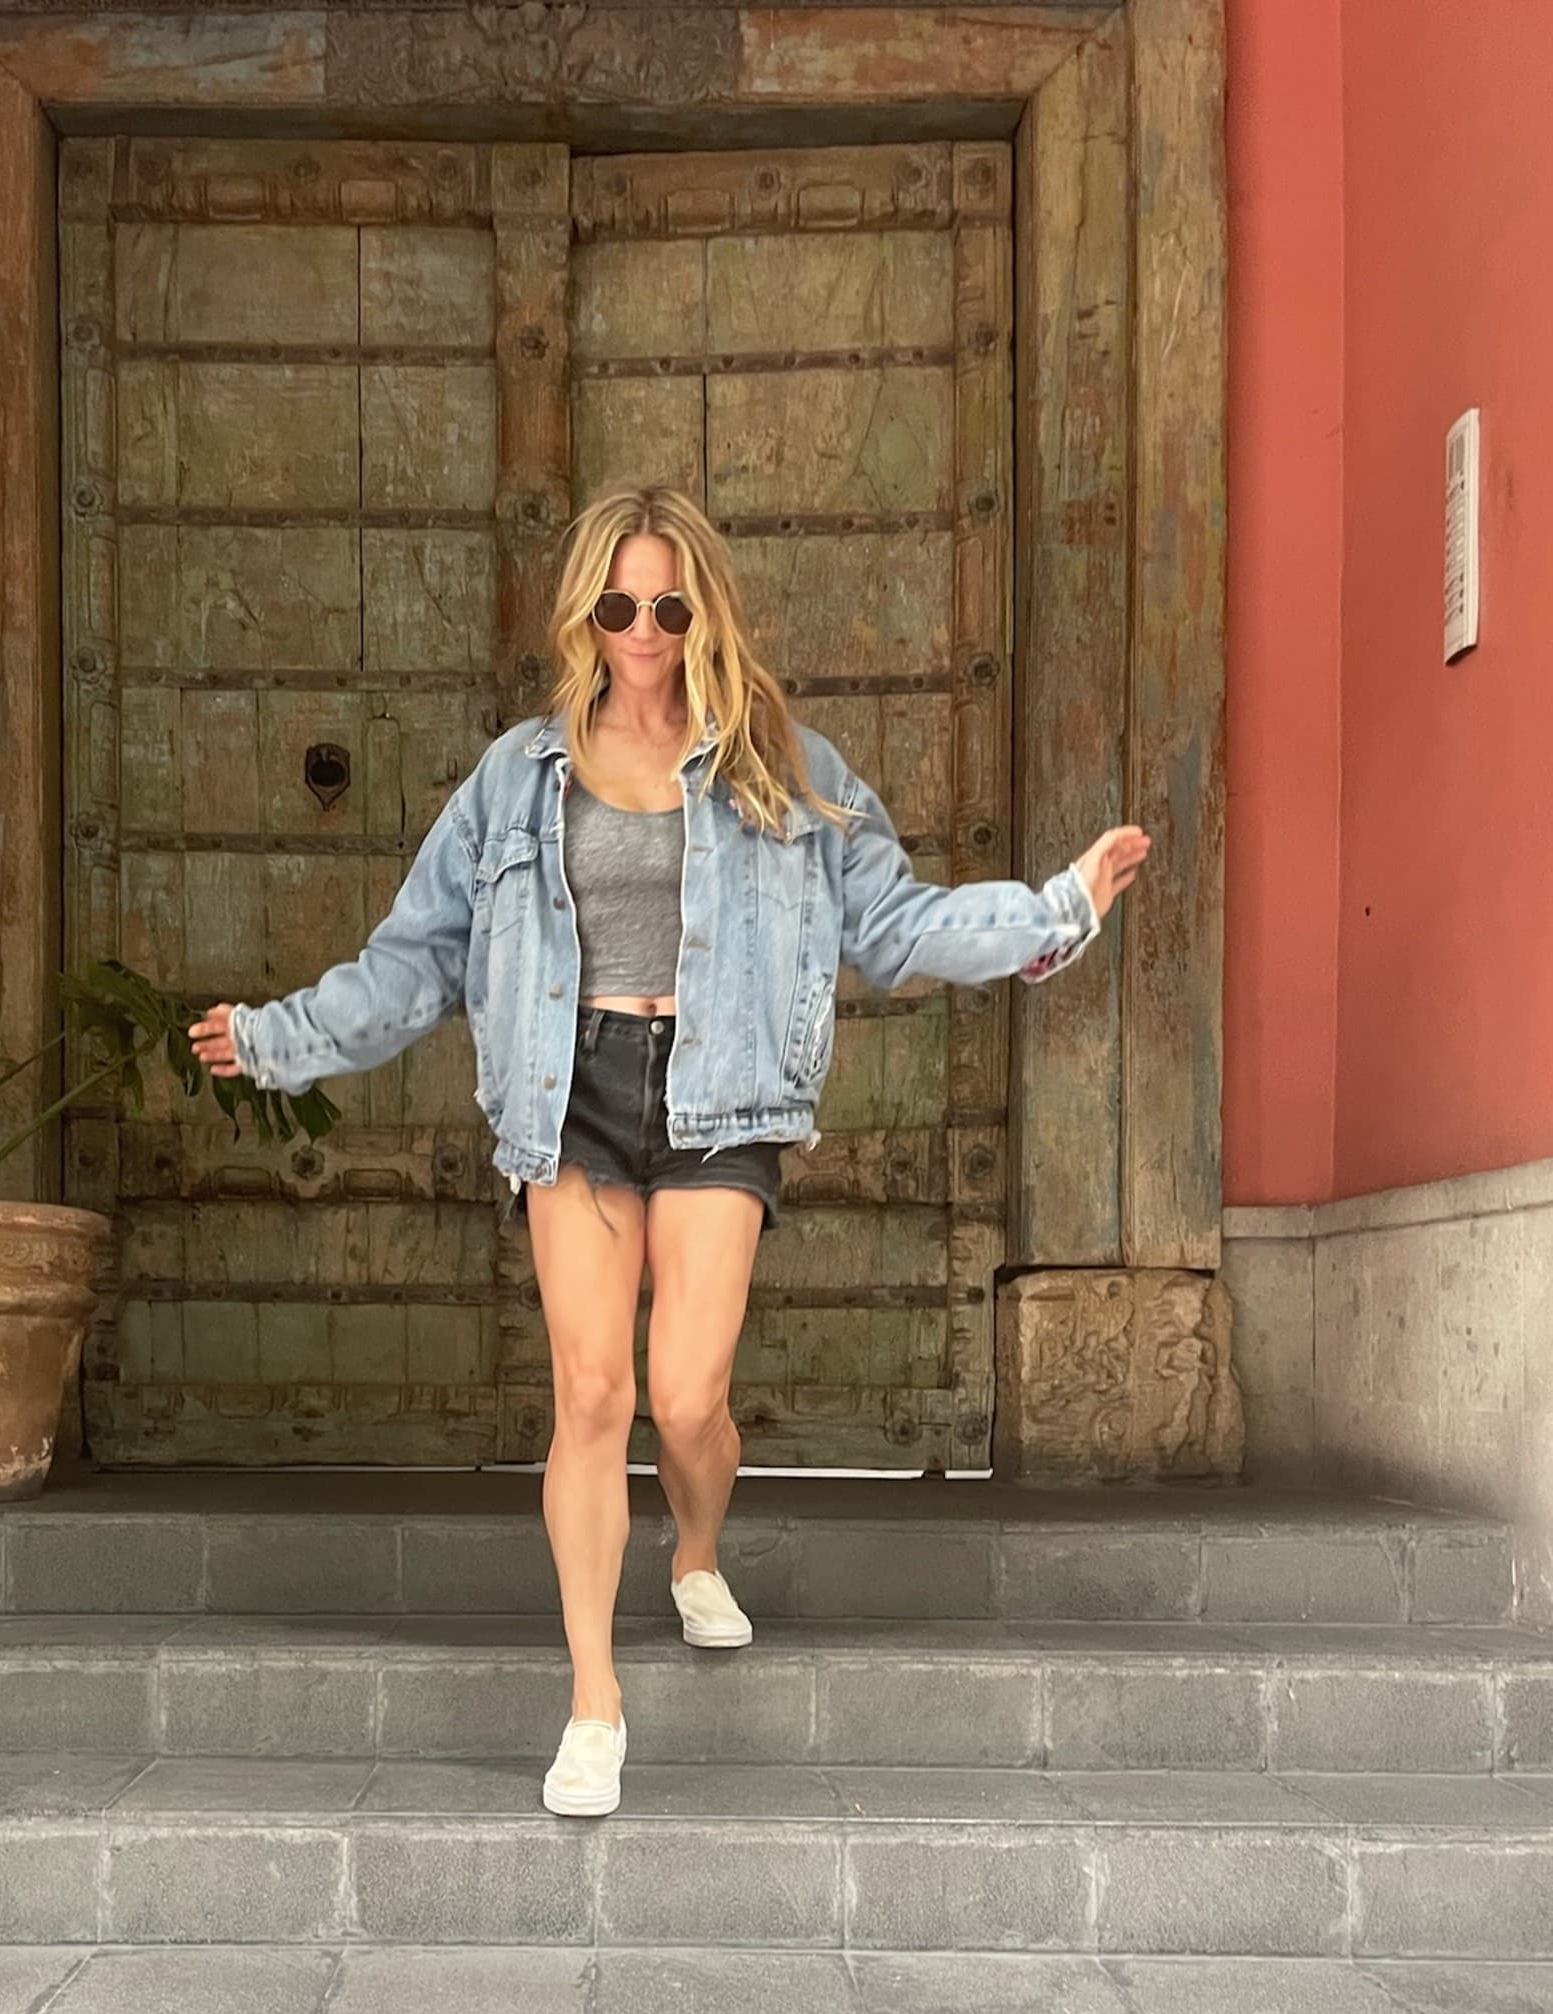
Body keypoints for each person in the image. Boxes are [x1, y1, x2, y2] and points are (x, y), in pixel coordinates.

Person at [191, 483, 1148, 1819]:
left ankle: (696, 1548)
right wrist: (284, 1036)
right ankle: (594, 1699)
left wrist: (1057, 912)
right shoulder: (516, 775)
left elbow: (895, 926)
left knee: (687, 1395)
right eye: (622, 603)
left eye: (672, 605)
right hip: (566, 1091)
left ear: (706, 611)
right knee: (592, 1396)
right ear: (588, 609)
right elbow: (419, 958)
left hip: (721, 1094)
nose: (645, 630)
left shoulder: (783, 766)